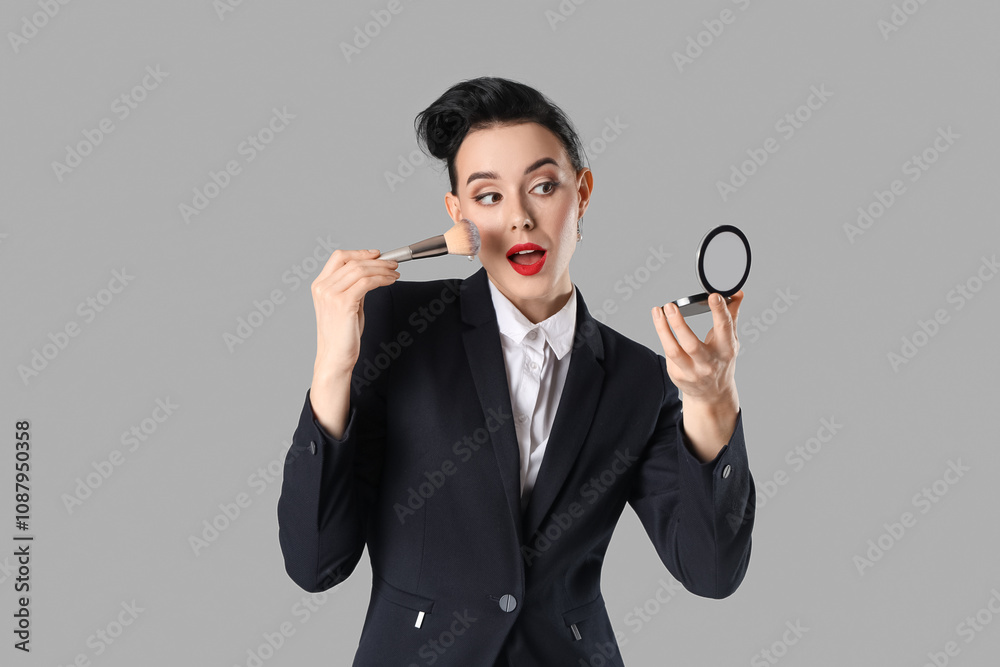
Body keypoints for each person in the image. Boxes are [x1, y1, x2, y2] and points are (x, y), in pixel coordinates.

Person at [277, 76, 755, 667]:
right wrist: (332, 368)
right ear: (458, 215)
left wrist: (713, 402)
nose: (522, 218)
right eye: (488, 197)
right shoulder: (393, 328)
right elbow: (315, 562)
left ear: (581, 194)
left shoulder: (641, 379)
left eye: (543, 186)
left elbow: (711, 572)